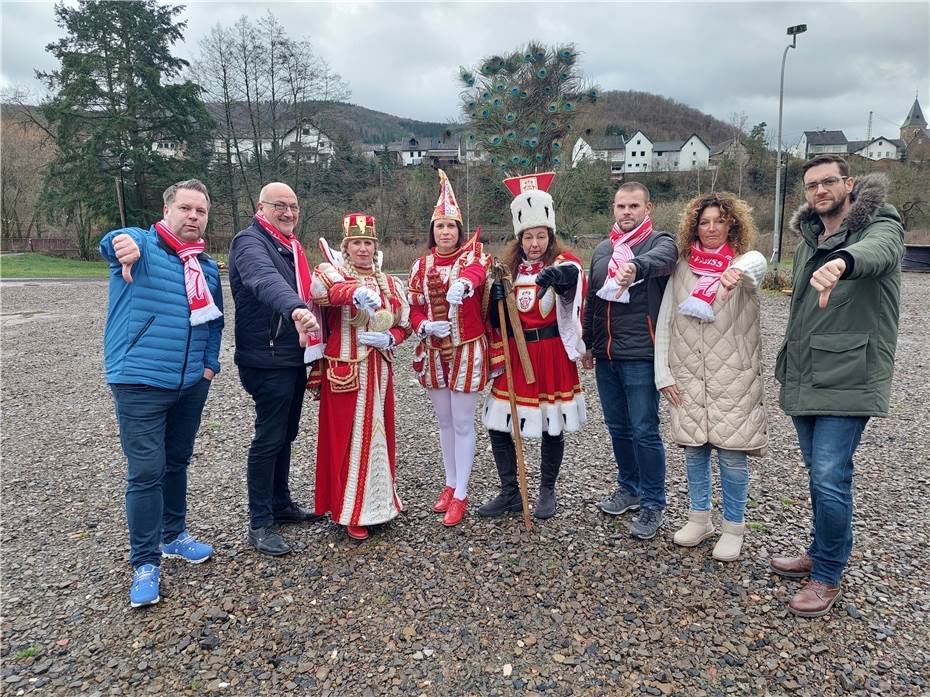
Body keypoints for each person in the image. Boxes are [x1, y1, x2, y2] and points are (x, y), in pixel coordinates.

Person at [771, 156, 904, 617]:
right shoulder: (811, 236)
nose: (820, 190)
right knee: (818, 471)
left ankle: (827, 574)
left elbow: (880, 252)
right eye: (812, 185)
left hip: (849, 374)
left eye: (829, 181)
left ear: (849, 183)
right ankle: (821, 548)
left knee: (830, 474)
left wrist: (843, 261)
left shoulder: (880, 222)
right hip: (809, 370)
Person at [100, 179, 223, 608]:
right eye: (186, 208)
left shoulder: (205, 267)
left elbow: (214, 324)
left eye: (201, 211)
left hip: (190, 384)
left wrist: (209, 367)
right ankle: (145, 561)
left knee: (176, 462)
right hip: (140, 382)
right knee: (146, 470)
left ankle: (173, 535)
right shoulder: (144, 247)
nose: (193, 217)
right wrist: (124, 242)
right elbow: (117, 241)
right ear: (167, 209)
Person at [654, 192, 769, 561]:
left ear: (732, 224)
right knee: (694, 451)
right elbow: (666, 319)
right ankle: (699, 518)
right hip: (687, 374)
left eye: (720, 220)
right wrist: (663, 373)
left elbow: (757, 265)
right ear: (694, 226)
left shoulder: (742, 264)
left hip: (732, 377)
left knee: (733, 456)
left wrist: (737, 270)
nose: (712, 228)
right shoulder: (682, 266)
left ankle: (733, 527)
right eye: (704, 222)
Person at [479, 172, 587, 520]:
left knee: (550, 424)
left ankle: (546, 490)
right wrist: (494, 297)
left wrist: (561, 278)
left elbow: (574, 275)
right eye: (529, 236)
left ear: (550, 236)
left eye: (541, 236)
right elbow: (495, 318)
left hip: (550, 354)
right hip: (516, 355)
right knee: (499, 425)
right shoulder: (508, 269)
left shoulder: (561, 261)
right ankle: (510, 491)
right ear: (520, 238)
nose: (535, 243)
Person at [228, 182, 323, 557]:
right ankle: (260, 521)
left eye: (294, 207)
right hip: (266, 357)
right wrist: (297, 309)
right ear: (261, 206)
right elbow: (263, 281)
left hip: (292, 354)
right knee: (269, 437)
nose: (288, 213)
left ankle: (281, 503)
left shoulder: (291, 248)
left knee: (287, 432)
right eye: (279, 206)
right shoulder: (249, 242)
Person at [583, 182, 677, 540]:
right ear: (613, 209)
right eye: (621, 206)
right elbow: (594, 300)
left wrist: (637, 266)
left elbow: (665, 260)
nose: (626, 212)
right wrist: (590, 343)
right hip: (607, 354)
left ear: (647, 208)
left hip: (641, 351)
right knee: (618, 428)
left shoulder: (658, 242)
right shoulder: (603, 249)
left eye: (633, 206)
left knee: (644, 429)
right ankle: (629, 487)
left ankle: (654, 502)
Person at [308, 213, 411, 540]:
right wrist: (352, 293)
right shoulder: (331, 272)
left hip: (379, 369)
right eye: (357, 243)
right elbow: (320, 293)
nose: (363, 249)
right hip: (345, 370)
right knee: (347, 440)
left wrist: (391, 337)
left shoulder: (391, 283)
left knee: (381, 436)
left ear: (375, 246)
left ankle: (381, 503)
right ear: (346, 246)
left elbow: (404, 322)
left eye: (368, 243)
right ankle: (349, 509)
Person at [407, 169, 491, 527]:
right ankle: (449, 482)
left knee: (461, 422)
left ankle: (461, 492)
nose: (445, 233)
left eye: (451, 227)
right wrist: (422, 324)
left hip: (467, 349)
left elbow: (478, 275)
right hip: (433, 350)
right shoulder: (419, 265)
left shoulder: (473, 258)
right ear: (433, 232)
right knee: (443, 422)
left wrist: (465, 287)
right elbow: (410, 306)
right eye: (440, 227)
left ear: (459, 231)